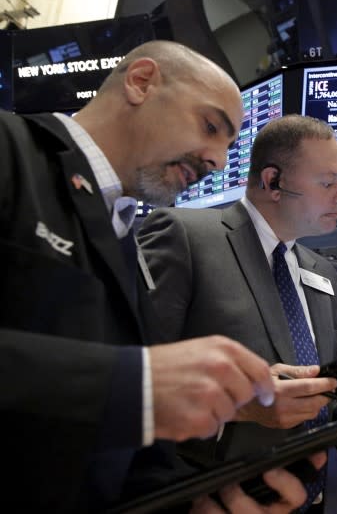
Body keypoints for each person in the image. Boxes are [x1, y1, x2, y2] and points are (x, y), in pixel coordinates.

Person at [0, 39, 317, 513]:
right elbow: (118, 391)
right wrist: (136, 384)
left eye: (229, 146)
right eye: (210, 126)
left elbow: (109, 449)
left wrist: (196, 502)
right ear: (140, 81)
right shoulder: (9, 150)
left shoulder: (127, 237)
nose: (216, 160)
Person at [138, 114, 337, 512]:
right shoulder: (184, 236)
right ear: (274, 182)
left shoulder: (321, 271)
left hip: (309, 501)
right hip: (209, 502)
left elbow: (327, 391)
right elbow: (132, 379)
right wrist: (236, 409)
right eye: (329, 182)